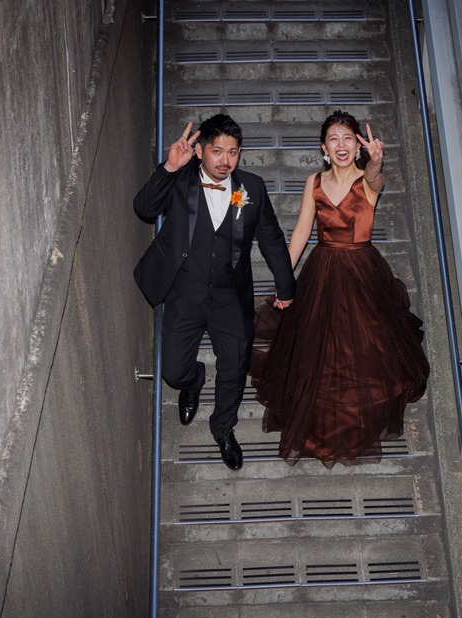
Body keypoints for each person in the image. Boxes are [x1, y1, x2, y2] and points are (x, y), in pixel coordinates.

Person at [251, 110, 430, 467]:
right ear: (324, 148)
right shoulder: (314, 182)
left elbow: (376, 178)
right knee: (319, 349)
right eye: (334, 139)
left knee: (361, 349)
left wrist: (376, 161)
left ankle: (355, 419)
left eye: (348, 137)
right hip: (322, 269)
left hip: (362, 272)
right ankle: (322, 422)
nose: (341, 144)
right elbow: (302, 231)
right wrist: (284, 281)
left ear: (357, 145)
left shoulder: (367, 180)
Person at [133, 114, 295, 470]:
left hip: (230, 297)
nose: (225, 160)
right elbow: (143, 209)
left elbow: (271, 238)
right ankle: (193, 381)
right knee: (172, 372)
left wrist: (286, 287)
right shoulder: (180, 178)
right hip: (185, 292)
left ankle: (222, 429)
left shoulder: (252, 188)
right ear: (200, 151)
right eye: (217, 151)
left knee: (234, 370)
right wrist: (168, 167)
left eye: (233, 152)